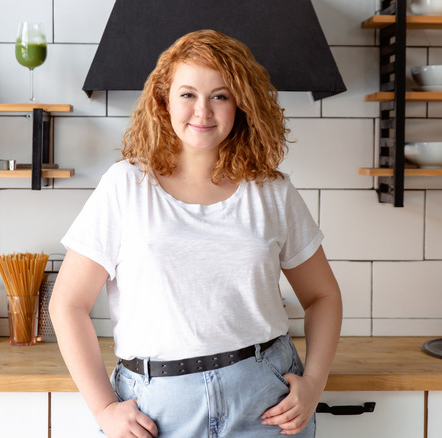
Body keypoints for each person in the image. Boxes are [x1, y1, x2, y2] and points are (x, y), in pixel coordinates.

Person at [49, 29, 342, 437]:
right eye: (188, 94)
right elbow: (67, 304)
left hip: (266, 403)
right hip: (156, 412)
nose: (202, 111)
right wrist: (103, 409)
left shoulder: (272, 191)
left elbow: (323, 296)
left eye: (220, 96)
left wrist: (313, 385)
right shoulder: (125, 186)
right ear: (164, 100)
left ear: (241, 104)